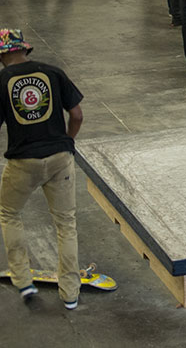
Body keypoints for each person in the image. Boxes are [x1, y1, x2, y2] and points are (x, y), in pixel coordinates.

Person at [0, 27, 84, 309]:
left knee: (9, 213)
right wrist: (67, 144)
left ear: (3, 55)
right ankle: (70, 294)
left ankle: (23, 282)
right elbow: (77, 114)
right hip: (60, 157)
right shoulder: (53, 72)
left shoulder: (2, 81)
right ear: (24, 49)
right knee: (66, 224)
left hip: (23, 161)